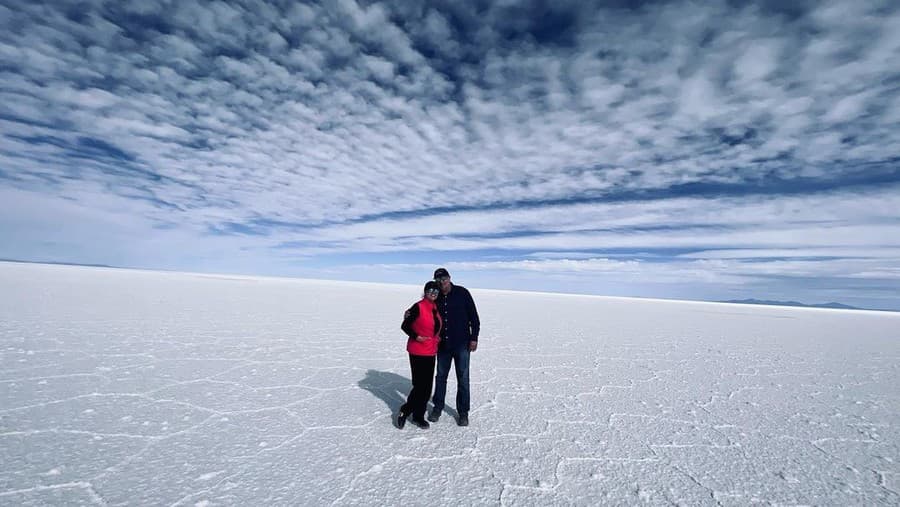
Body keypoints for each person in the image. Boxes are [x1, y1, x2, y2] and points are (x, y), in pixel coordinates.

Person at [429, 268, 480, 426]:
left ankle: (463, 412)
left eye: (444, 278)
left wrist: (474, 338)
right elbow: (423, 308)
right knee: (440, 377)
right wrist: (410, 313)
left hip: (462, 344)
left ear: (449, 278)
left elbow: (474, 317)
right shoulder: (435, 296)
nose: (442, 282)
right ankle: (437, 407)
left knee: (463, 379)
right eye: (438, 279)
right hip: (443, 345)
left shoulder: (462, 293)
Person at [396, 281, 443, 429]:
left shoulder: (435, 307)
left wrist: (437, 336)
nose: (433, 293)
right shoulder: (418, 306)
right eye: (430, 291)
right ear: (425, 292)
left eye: (436, 291)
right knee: (419, 386)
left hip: (430, 351)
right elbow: (405, 325)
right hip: (417, 351)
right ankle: (406, 410)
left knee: (427, 387)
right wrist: (416, 336)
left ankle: (418, 416)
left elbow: (434, 326)